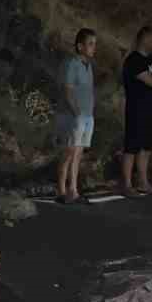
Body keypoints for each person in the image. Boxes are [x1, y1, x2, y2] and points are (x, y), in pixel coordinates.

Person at [121, 25, 152, 197]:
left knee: (146, 147)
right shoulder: (133, 60)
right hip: (137, 109)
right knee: (132, 146)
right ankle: (126, 184)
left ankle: (143, 183)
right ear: (145, 39)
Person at [56, 28, 97, 204]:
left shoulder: (88, 66)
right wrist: (76, 112)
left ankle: (73, 190)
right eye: (90, 44)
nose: (94, 47)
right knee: (69, 152)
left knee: (78, 153)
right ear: (80, 46)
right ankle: (61, 190)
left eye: (95, 44)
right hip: (75, 116)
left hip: (87, 115)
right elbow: (68, 90)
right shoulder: (72, 63)